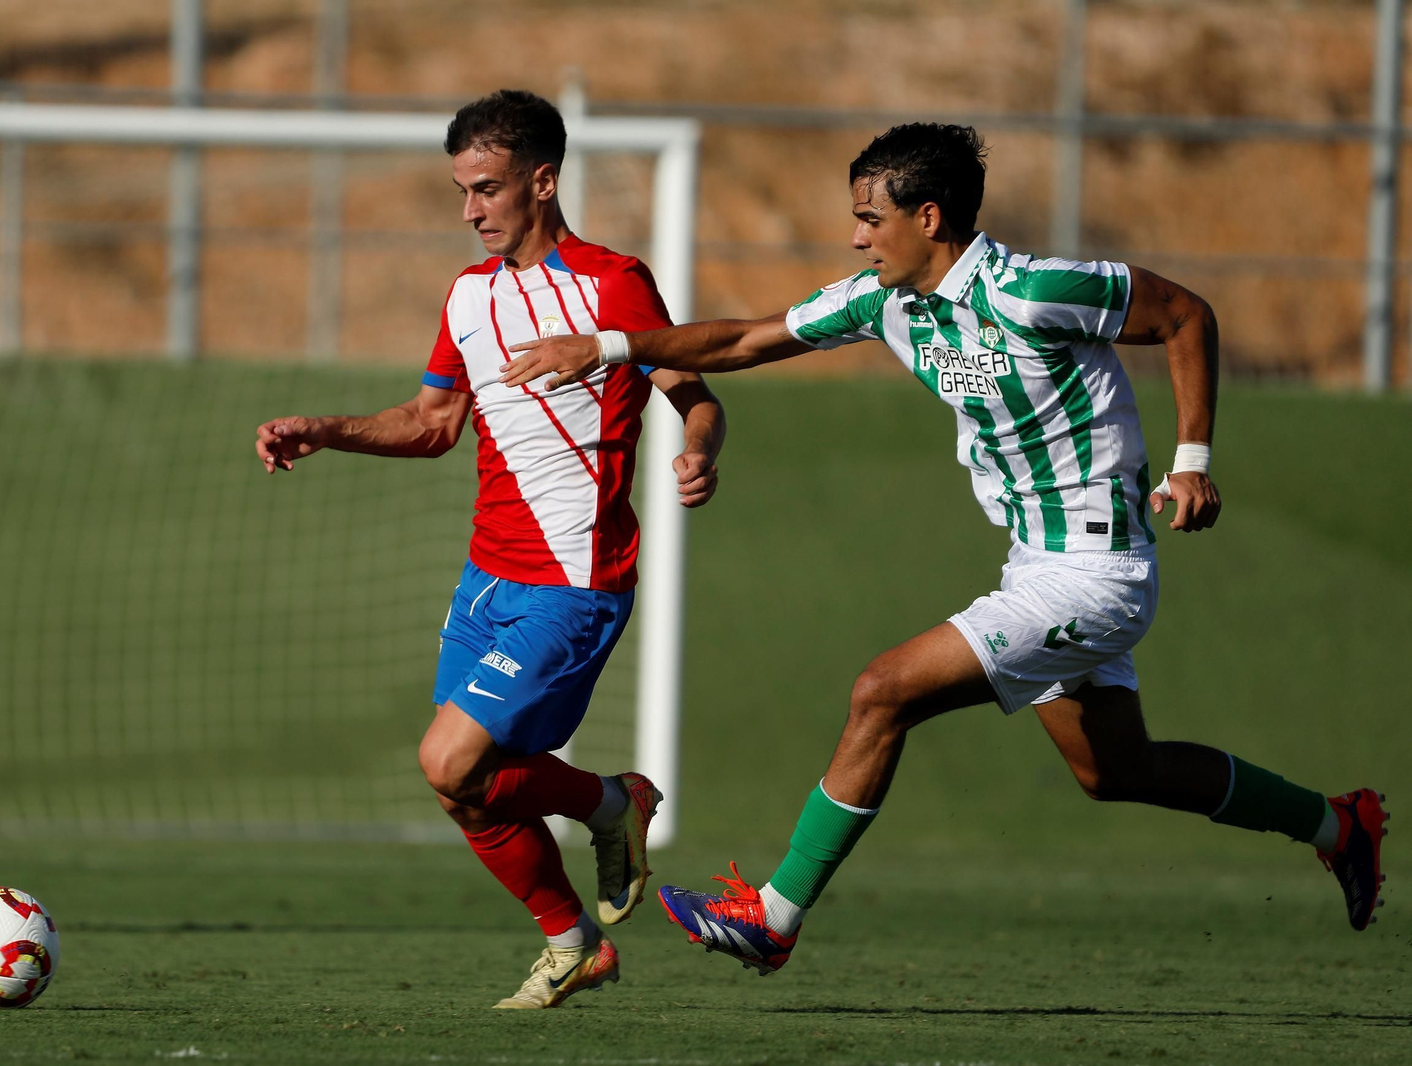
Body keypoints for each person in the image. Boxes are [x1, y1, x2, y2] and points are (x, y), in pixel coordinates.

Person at [499, 122, 1385, 975]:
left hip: (1098, 572)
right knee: (1118, 772)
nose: (854, 238)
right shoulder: (887, 302)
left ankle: (772, 919)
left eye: (869, 219)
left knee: (882, 692)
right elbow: (740, 339)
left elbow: (1185, 315)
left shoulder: (1035, 290)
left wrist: (1192, 461)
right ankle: (1338, 826)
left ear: (929, 218)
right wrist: (607, 346)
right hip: (1035, 564)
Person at [254, 89, 726, 1004]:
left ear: (542, 182)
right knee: (463, 786)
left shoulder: (612, 283)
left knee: (448, 758)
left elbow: (693, 390)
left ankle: (607, 806)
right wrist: (329, 428)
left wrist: (697, 450)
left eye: (487, 189)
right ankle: (575, 935)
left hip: (577, 582)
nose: (470, 210)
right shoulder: (468, 295)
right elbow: (434, 423)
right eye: (462, 191)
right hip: (486, 580)